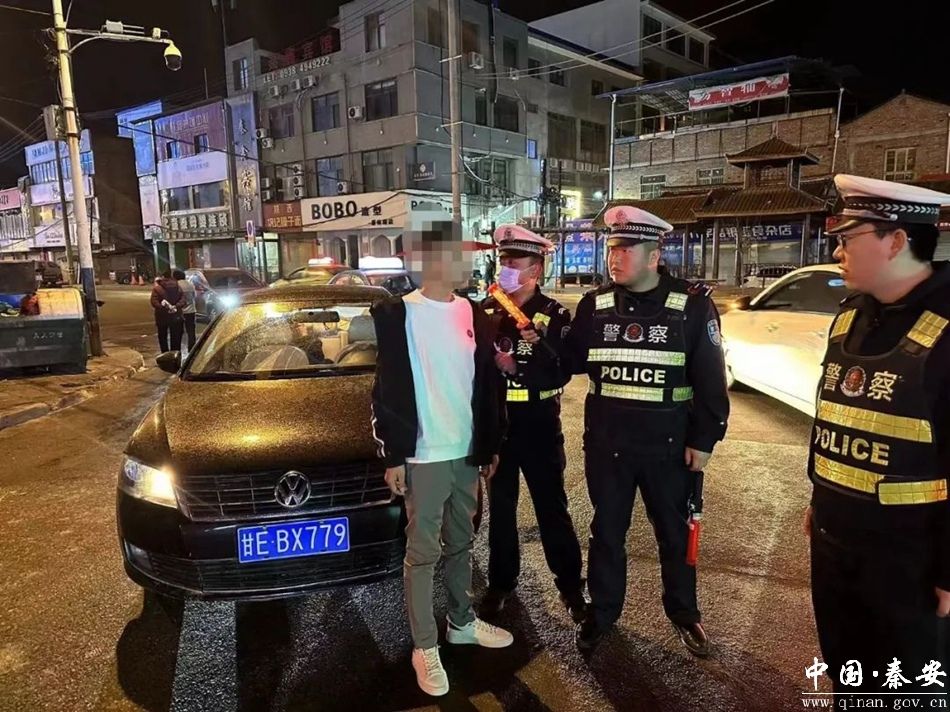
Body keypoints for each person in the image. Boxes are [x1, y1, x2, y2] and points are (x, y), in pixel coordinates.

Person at [524, 206, 729, 655]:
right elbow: (569, 364)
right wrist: (541, 343)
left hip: (668, 445)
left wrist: (705, 439)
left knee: (674, 535)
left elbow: (711, 379)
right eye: (611, 249)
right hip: (608, 444)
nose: (614, 258)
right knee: (606, 532)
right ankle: (602, 613)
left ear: (654, 256)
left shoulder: (691, 305)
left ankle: (684, 614)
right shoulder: (595, 305)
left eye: (626, 250)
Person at [807, 174, 950, 696]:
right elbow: (835, 416)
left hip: (910, 561)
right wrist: (820, 499)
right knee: (849, 678)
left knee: (908, 690)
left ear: (896, 241)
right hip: (834, 542)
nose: (837, 250)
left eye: (849, 237)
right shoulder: (850, 318)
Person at [370, 207, 513, 697]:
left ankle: (461, 622)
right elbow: (386, 391)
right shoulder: (397, 314)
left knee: (461, 542)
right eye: (460, 253)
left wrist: (489, 444)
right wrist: (394, 456)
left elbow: (484, 385)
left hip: (465, 452)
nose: (468, 262)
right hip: (424, 455)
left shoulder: (472, 312)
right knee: (422, 553)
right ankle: (424, 646)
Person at [478, 224, 586, 623]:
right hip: (498, 425)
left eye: (514, 261)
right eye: (502, 259)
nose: (505, 267)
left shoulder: (554, 314)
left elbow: (563, 369)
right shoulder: (486, 310)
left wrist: (519, 369)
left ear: (535, 270)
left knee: (551, 508)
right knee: (501, 510)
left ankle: (571, 587)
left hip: (538, 424)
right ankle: (500, 584)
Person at [150, 270, 186, 353]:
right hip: (176, 315)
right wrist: (176, 306)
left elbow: (154, 301)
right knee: (176, 336)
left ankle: (165, 354)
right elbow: (183, 299)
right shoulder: (178, 287)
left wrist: (163, 307)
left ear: (163, 277)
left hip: (162, 316)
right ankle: (175, 354)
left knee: (162, 337)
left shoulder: (157, 288)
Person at [174, 269, 197, 353]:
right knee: (191, 331)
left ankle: (177, 351)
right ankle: (192, 349)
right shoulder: (190, 284)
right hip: (191, 311)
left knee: (178, 332)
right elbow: (194, 296)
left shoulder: (176, 285)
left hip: (180, 311)